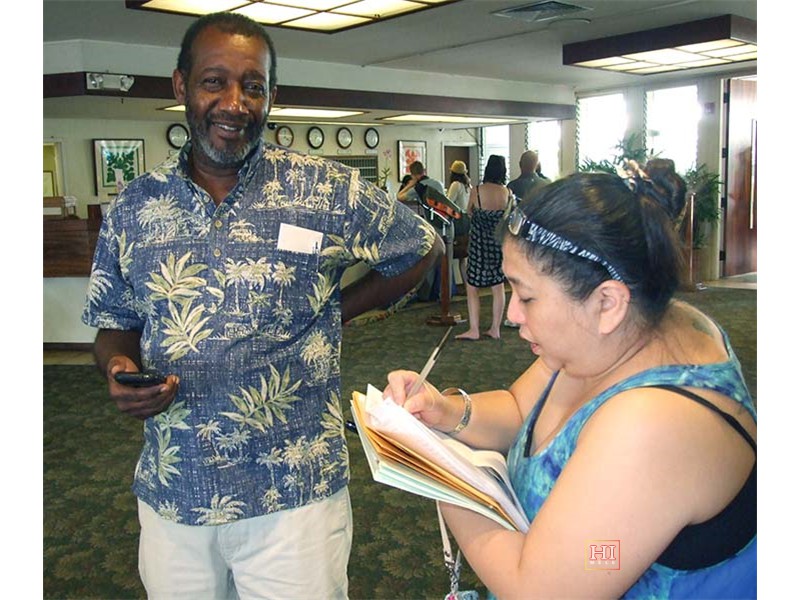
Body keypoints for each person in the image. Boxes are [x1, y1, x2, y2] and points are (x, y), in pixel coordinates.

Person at [81, 12, 443, 599]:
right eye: (214, 82)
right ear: (181, 86)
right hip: (177, 489)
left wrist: (336, 308)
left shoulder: (322, 188)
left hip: (294, 491)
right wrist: (118, 368)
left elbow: (421, 246)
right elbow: (113, 323)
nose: (235, 103)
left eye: (253, 86)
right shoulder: (135, 207)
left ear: (272, 95)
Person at [384, 166, 756, 598]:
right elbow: (521, 409)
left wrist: (439, 477)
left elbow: (542, 590)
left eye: (526, 296)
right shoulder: (620, 332)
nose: (512, 314)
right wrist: (446, 412)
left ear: (608, 302)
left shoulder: (653, 424)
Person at [455, 155, 513, 340]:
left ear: (487, 169)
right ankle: (495, 328)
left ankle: (474, 329)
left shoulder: (477, 190)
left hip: (478, 244)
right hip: (497, 244)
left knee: (472, 286)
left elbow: (468, 211)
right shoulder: (507, 192)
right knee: (498, 285)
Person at [446, 160, 471, 287]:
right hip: (467, 220)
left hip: (458, 220)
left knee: (451, 252)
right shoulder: (468, 186)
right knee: (463, 257)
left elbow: (448, 202)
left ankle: (452, 287)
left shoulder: (455, 185)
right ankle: (467, 286)